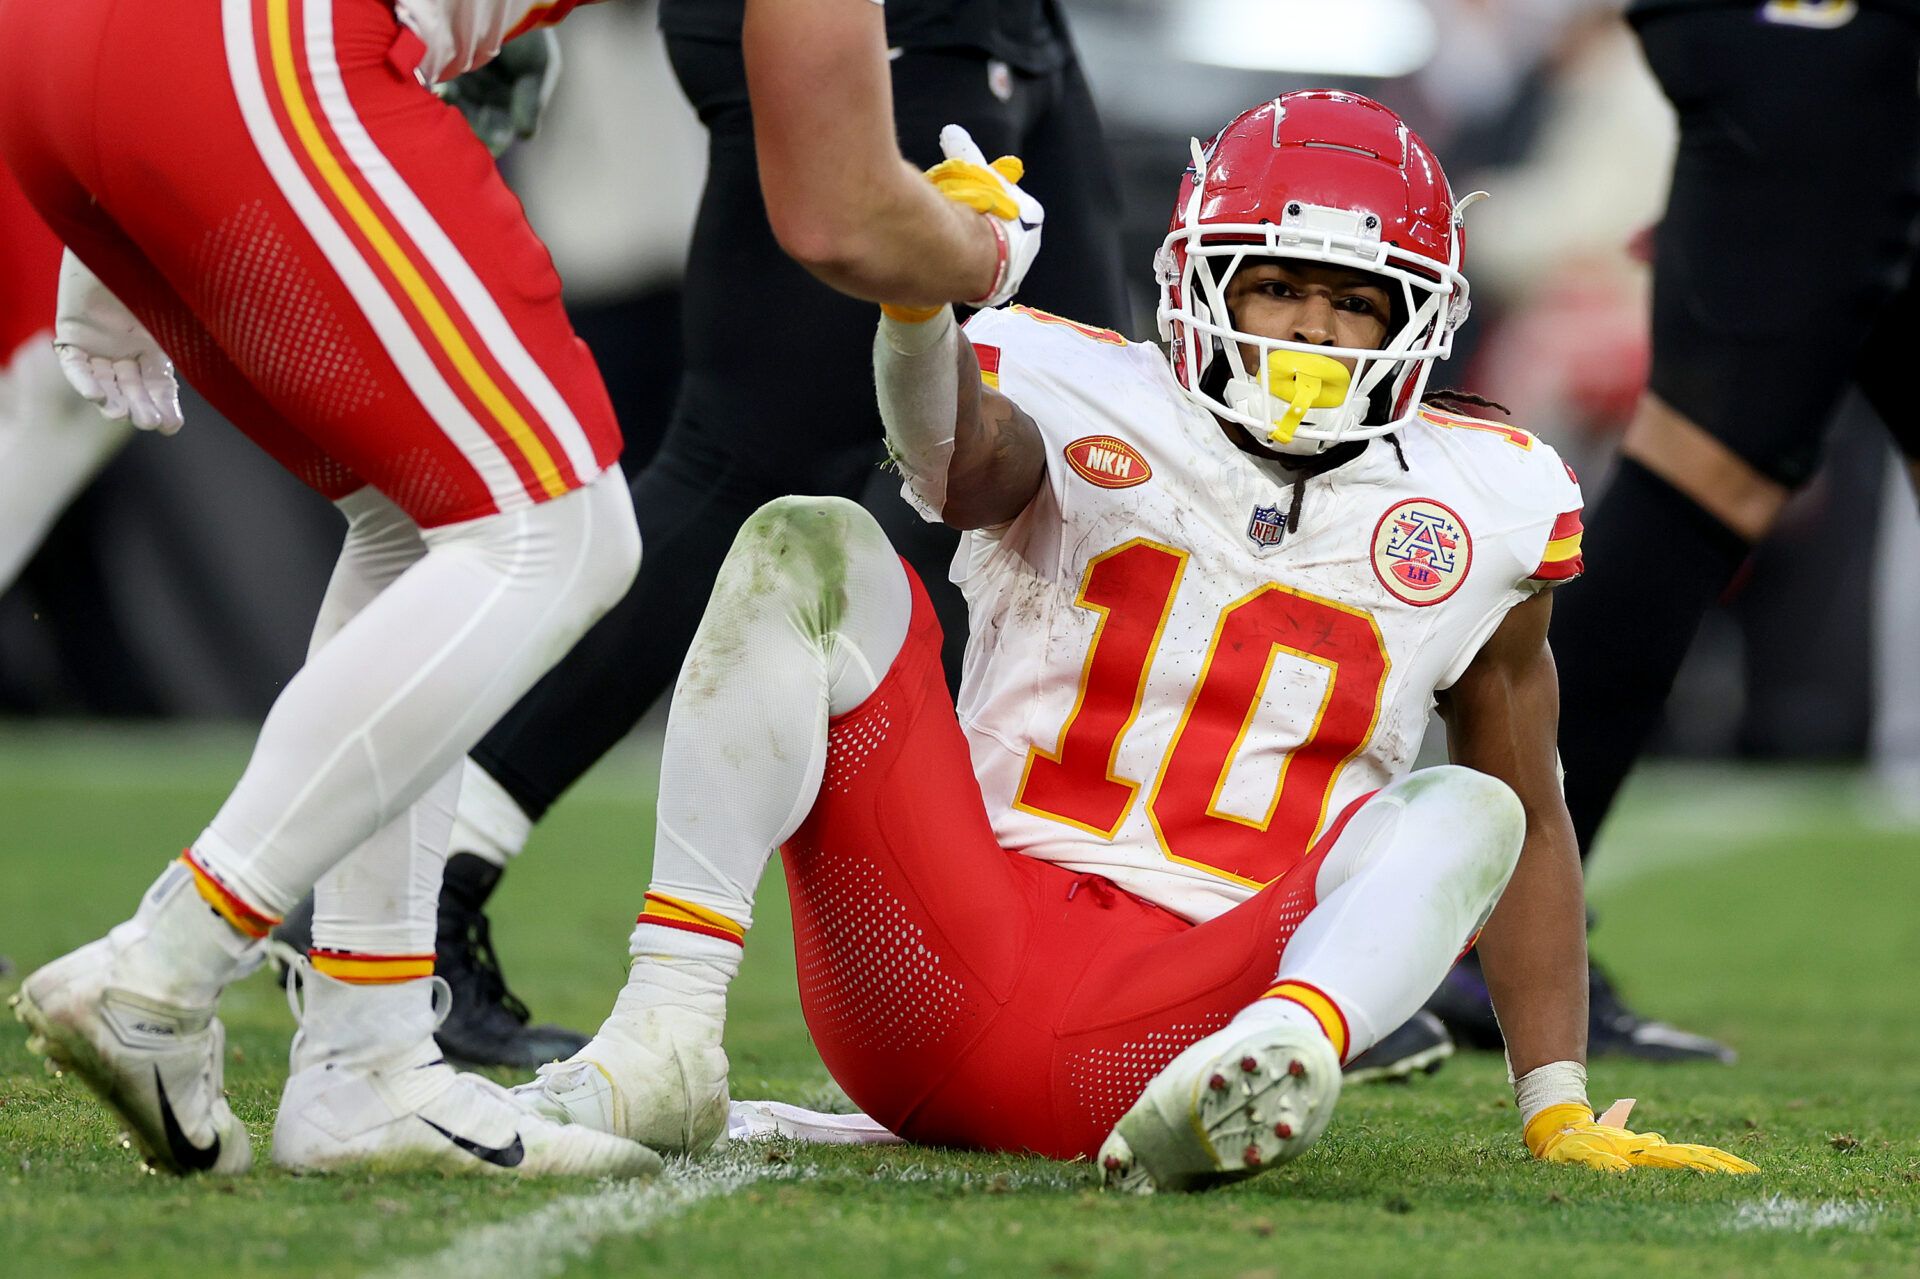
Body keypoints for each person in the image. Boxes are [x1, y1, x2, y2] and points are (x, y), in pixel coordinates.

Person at [515, 91, 1758, 1186]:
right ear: (1200, 279)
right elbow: (952, 459)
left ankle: (1286, 1053)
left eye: (1350, 302)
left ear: (1418, 323)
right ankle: (665, 1022)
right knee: (810, 541)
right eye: (1277, 284)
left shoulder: (1484, 503)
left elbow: (1530, 815)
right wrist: (918, 310)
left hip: (1189, 1030)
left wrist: (1558, 1104)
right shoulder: (1081, 388)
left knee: (1475, 803)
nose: (1311, 332)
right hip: (939, 947)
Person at [2, 0, 1040, 1178]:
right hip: (247, 53)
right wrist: (986, 250)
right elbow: (842, 214)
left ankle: (366, 1060)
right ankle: (169, 957)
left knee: (424, 514)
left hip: (76, 55)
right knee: (558, 530)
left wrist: (102, 203)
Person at [428, 0, 1148, 1059]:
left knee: (1098, 466)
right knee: (743, 464)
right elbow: (836, 224)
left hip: (999, 27)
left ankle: (1150, 919)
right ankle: (411, 899)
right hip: (878, 27)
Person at [1432, 0, 1920, 1064]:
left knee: (1707, 468)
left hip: (1826, 54)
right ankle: (1482, 926)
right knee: (1708, 467)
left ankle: (1477, 925)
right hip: (1819, 42)